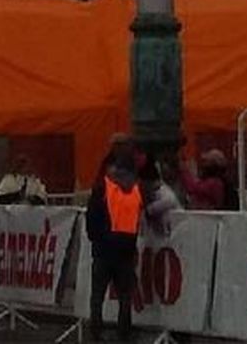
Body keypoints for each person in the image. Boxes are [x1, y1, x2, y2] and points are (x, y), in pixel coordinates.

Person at [86, 138, 141, 342]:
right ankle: (124, 332)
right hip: (125, 249)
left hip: (103, 249)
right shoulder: (133, 191)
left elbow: (91, 217)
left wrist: (96, 239)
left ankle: (96, 332)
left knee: (98, 295)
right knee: (125, 295)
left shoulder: (102, 189)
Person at [139, 160, 180, 237]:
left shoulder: (164, 191)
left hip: (177, 233)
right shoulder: (147, 194)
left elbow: (170, 200)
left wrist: (149, 210)